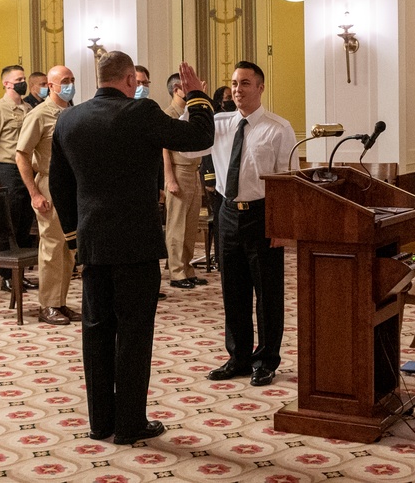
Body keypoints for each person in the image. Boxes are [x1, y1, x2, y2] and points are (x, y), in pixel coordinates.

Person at [49, 51, 213, 445]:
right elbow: (199, 137)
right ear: (128, 80)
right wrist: (196, 98)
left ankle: (100, 421)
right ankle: (129, 424)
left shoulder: (69, 118)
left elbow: (59, 183)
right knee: (134, 336)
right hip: (135, 245)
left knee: (96, 332)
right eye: (136, 81)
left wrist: (74, 235)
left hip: (93, 243)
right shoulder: (141, 113)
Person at [188, 61, 295, 387]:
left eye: (245, 83)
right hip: (228, 212)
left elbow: (287, 182)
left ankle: (265, 360)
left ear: (260, 88)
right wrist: (195, 97)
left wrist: (283, 227)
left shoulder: (278, 128)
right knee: (232, 290)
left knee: (267, 292)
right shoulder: (218, 123)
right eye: (234, 83)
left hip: (262, 214)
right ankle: (238, 357)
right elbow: (187, 137)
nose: (237, 89)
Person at [16, 64, 80, 325]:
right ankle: (48, 304)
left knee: (69, 248)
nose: (69, 84)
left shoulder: (73, 112)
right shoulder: (39, 114)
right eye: (64, 80)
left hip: (72, 185)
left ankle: (61, 301)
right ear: (50, 86)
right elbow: (21, 154)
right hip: (49, 185)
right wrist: (34, 193)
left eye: (72, 79)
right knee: (52, 246)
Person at [0, 65, 38, 292]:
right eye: (19, 79)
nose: (23, 82)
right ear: (6, 83)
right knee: (10, 222)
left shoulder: (27, 108)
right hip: (7, 169)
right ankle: (6, 275)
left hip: (27, 169)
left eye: (24, 78)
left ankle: (19, 273)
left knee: (25, 222)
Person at [162, 72, 208, 290]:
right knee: (177, 225)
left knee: (190, 225)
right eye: (186, 88)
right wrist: (169, 178)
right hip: (178, 171)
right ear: (176, 89)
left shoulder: (189, 112)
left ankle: (187, 268)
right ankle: (176, 271)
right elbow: (164, 150)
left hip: (194, 171)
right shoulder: (168, 114)